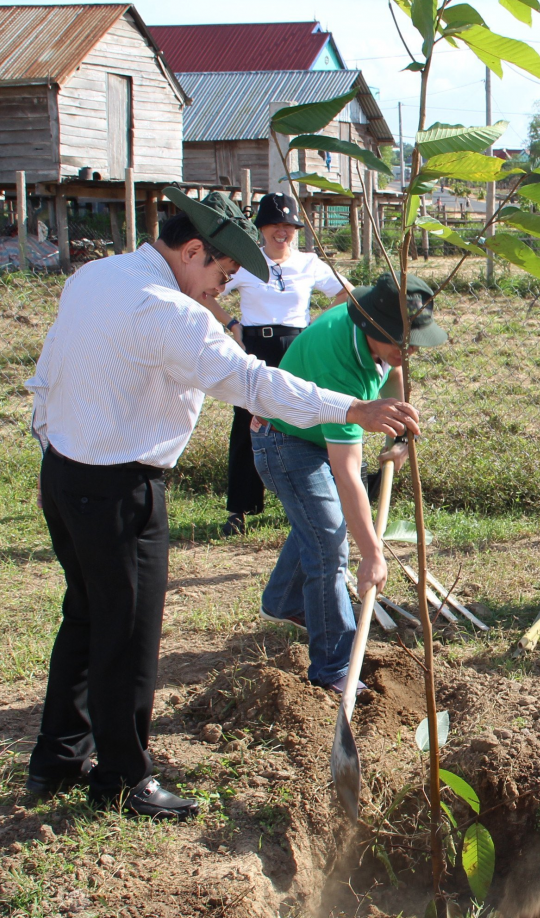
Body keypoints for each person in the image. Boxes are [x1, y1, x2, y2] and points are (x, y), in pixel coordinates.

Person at [24, 189, 421, 819]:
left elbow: (47, 371)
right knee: (126, 634)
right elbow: (254, 383)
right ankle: (124, 779)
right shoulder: (171, 312)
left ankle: (58, 758)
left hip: (64, 472)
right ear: (191, 252)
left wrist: (48, 438)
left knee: (86, 616)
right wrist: (349, 409)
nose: (219, 291)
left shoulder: (95, 275)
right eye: (221, 275)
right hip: (120, 489)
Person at [252, 273, 443, 692]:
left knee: (319, 526)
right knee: (329, 546)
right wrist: (373, 555)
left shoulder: (370, 331)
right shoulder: (340, 365)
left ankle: (283, 602)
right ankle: (335, 668)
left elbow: (391, 376)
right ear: (375, 330)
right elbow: (347, 474)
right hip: (285, 442)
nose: (409, 353)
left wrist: (398, 431)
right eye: (403, 344)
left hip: (315, 434)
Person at [209, 193, 350, 538]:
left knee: (304, 417)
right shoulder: (245, 263)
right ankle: (240, 509)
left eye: (288, 226)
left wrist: (316, 326)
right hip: (255, 345)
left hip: (298, 347)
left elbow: (346, 291)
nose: (282, 232)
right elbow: (204, 293)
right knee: (247, 420)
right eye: (275, 225)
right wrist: (232, 325)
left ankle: (311, 501)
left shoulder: (308, 263)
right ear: (261, 229)